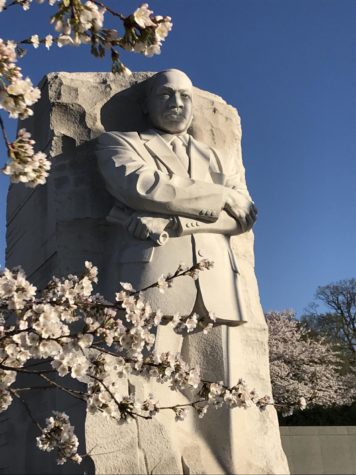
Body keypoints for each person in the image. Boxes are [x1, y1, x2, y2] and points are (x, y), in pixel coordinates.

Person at [96, 69, 257, 328]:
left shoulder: (218, 157)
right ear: (145, 105)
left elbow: (243, 216)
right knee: (145, 366)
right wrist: (224, 195)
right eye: (165, 94)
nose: (176, 103)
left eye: (185, 96)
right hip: (153, 281)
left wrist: (174, 224)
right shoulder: (119, 143)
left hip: (220, 288)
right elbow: (145, 187)